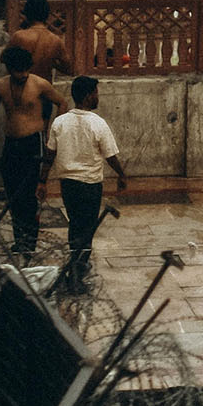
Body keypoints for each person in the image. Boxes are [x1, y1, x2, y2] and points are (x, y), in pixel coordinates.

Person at [0, 45, 69, 257]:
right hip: (11, 145)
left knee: (30, 195)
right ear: (9, 69)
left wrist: (52, 131)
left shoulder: (40, 84)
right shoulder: (1, 86)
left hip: (33, 143)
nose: (22, 75)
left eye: (25, 70)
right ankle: (19, 239)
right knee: (13, 195)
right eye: (18, 71)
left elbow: (62, 102)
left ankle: (29, 243)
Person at [38, 76, 128, 288]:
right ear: (88, 96)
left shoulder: (60, 122)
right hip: (89, 184)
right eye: (96, 92)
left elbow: (49, 155)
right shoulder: (98, 123)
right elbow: (111, 156)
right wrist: (122, 175)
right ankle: (77, 274)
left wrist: (42, 181)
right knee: (86, 229)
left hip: (68, 184)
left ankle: (76, 265)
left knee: (75, 225)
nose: (98, 96)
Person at [7, 0, 71, 85]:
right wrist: (51, 61)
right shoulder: (56, 40)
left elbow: (4, 60)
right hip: (44, 91)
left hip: (21, 90)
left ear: (26, 15)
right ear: (47, 16)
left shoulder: (18, 37)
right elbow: (68, 69)